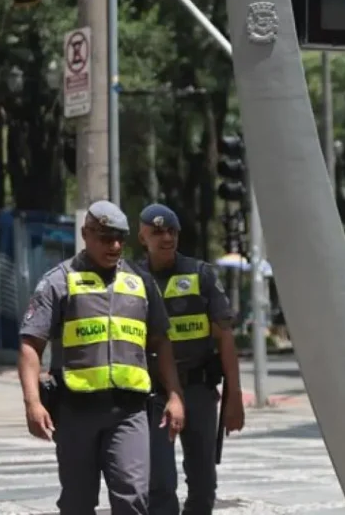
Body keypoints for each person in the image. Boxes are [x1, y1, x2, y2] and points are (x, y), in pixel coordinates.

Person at [17, 200, 187, 515]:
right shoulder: (58, 281)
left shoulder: (141, 283)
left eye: (120, 237)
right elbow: (31, 343)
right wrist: (32, 402)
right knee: (78, 502)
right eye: (106, 237)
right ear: (86, 234)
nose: (115, 245)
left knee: (133, 497)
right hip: (75, 411)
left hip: (130, 411)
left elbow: (162, 342)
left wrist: (175, 395)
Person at [135, 204, 246, 515]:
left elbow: (225, 339)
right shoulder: (133, 278)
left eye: (172, 231)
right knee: (159, 482)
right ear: (143, 237)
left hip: (198, 390)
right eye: (157, 232)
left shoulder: (200, 274)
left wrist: (234, 398)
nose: (166, 237)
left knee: (203, 483)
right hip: (155, 393)